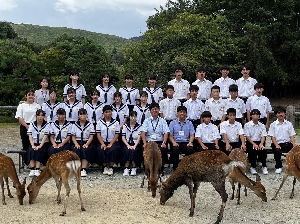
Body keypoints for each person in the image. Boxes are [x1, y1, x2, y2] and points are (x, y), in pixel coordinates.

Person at [141, 102, 170, 170]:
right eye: (153, 109)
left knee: (163, 150)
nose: (154, 111)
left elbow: (166, 133)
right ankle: (148, 169)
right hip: (149, 142)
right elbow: (143, 133)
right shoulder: (146, 121)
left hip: (159, 142)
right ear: (150, 111)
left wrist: (164, 143)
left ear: (159, 110)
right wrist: (145, 143)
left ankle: (160, 169)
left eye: (156, 109)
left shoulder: (163, 121)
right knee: (144, 150)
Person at [268, 106, 297, 174]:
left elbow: (291, 135)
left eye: (282, 113)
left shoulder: (289, 124)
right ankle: (279, 166)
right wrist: (276, 145)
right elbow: (272, 137)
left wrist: (294, 144)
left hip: (287, 143)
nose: (281, 114)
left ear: (285, 114)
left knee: (295, 150)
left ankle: (293, 166)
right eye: (279, 113)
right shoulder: (273, 125)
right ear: (276, 114)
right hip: (277, 143)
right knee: (277, 151)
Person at [15, 89, 41, 164]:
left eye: (32, 95)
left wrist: (33, 126)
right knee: (25, 143)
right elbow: (20, 117)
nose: (31, 96)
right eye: (29, 95)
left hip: (35, 127)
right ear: (26, 96)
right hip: (24, 125)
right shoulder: (21, 106)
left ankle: (34, 160)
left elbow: (39, 116)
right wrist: (26, 126)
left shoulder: (37, 106)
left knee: (34, 143)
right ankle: (26, 161)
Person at [96, 105, 120, 176]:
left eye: (109, 112)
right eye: (106, 112)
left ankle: (111, 167)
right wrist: (102, 143)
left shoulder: (116, 122)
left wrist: (111, 144)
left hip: (113, 141)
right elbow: (98, 134)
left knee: (113, 149)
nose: (108, 113)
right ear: (103, 113)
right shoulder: (99, 122)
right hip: (102, 141)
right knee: (101, 149)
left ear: (112, 112)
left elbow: (117, 134)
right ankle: (104, 167)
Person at [71, 108, 95, 177]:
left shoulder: (90, 125)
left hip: (87, 141)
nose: (82, 116)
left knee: (86, 150)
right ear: (78, 116)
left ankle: (83, 169)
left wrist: (87, 144)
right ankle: (77, 169)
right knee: (75, 149)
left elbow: (91, 136)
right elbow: (73, 137)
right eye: (80, 114)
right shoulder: (75, 125)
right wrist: (76, 144)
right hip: (77, 141)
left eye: (84, 114)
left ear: (86, 115)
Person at [169, 106, 195, 170]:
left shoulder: (189, 123)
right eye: (180, 112)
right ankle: (176, 168)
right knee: (175, 150)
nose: (182, 113)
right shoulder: (172, 123)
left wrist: (190, 142)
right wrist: (173, 143)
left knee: (190, 149)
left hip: (186, 142)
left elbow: (192, 135)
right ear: (177, 113)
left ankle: (189, 168)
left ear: (186, 114)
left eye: (184, 112)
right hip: (176, 142)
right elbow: (170, 136)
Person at [244, 109, 268, 175]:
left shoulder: (262, 125)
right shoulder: (247, 125)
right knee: (253, 150)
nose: (255, 116)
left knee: (263, 150)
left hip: (260, 142)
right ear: (251, 116)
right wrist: (254, 144)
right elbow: (247, 136)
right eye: (254, 114)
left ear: (259, 116)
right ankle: (253, 167)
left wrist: (261, 144)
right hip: (251, 142)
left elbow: (264, 136)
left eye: (257, 114)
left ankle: (264, 166)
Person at [27, 109, 50, 177]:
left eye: (42, 116)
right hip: (34, 142)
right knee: (31, 150)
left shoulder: (47, 125)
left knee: (40, 150)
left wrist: (40, 145)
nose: (40, 117)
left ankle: (37, 169)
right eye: (38, 115)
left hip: (43, 143)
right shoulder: (32, 124)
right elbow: (30, 135)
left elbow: (45, 136)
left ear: (44, 117)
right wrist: (32, 145)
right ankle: (32, 169)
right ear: (36, 116)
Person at [122, 111, 142, 176]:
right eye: (131, 116)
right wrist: (127, 145)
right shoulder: (125, 126)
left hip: (135, 143)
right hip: (127, 143)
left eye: (134, 116)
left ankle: (134, 167)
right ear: (129, 117)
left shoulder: (139, 126)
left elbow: (139, 137)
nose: (133, 118)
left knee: (135, 151)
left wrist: (135, 145)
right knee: (126, 150)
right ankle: (126, 168)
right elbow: (123, 137)